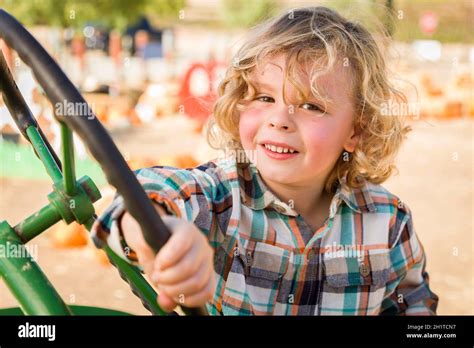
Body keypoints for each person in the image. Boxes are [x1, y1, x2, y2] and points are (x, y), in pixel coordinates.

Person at [91, 6, 438, 315]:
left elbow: (412, 300)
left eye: (311, 106)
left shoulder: (388, 222)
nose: (279, 119)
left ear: (356, 130)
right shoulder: (219, 200)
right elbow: (144, 193)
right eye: (264, 97)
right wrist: (159, 231)